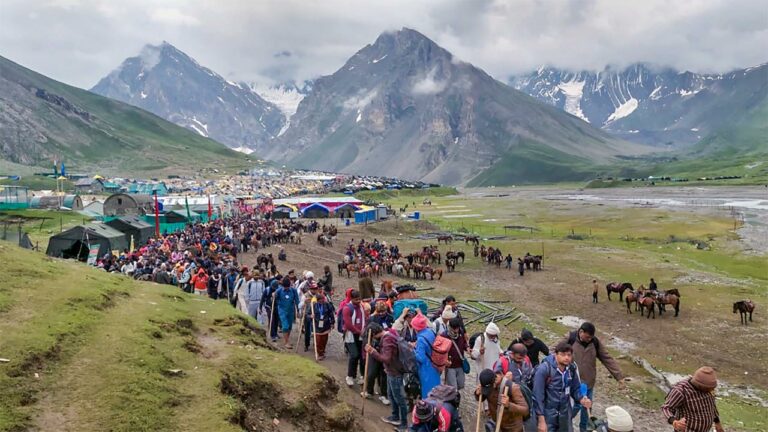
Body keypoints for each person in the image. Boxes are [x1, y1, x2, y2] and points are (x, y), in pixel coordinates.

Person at [558, 322, 624, 432]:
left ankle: (584, 429)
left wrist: (619, 376)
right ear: (581, 332)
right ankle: (563, 423)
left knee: (587, 408)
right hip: (572, 382)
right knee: (575, 406)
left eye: (591, 337)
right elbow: (554, 350)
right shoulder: (570, 338)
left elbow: (606, 358)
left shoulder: (595, 342)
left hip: (588, 382)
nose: (589, 339)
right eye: (587, 337)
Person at [533, 341, 591, 432]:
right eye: (563, 354)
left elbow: (575, 388)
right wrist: (541, 420)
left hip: (565, 414)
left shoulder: (571, 369)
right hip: (548, 415)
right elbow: (537, 396)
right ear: (556, 354)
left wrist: (581, 399)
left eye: (569, 355)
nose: (567, 358)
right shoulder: (544, 369)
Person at [365, 325, 409, 431]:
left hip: (395, 373)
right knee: (391, 395)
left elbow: (386, 358)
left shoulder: (387, 340)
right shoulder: (390, 333)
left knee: (399, 398)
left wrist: (372, 352)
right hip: (391, 370)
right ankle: (395, 416)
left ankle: (403, 423)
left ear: (375, 334)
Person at [661, 366, 724, 432]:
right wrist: (674, 421)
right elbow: (666, 408)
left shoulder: (708, 390)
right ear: (700, 385)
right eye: (708, 389)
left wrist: (717, 423)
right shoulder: (681, 391)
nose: (711, 390)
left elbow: (711, 406)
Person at [343, 290, 369, 386]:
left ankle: (362, 376)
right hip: (351, 335)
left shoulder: (361, 307)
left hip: (361, 335)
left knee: (362, 356)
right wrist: (359, 332)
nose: (359, 301)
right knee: (354, 355)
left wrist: (364, 329)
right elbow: (348, 324)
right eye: (356, 300)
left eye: (360, 299)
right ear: (351, 299)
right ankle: (350, 376)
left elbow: (365, 319)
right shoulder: (347, 308)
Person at [412, 312, 441, 398]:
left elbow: (421, 358)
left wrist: (413, 350)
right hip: (435, 365)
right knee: (436, 390)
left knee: (427, 393)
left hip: (426, 368)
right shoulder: (430, 332)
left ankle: (428, 409)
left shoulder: (421, 339)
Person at [275, 277, 299, 349]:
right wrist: (274, 296)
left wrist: (298, 310)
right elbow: (275, 299)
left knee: (289, 327)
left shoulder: (294, 291)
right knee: (285, 326)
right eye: (285, 288)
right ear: (282, 286)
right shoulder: (279, 290)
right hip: (282, 310)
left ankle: (287, 339)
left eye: (287, 287)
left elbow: (297, 301)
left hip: (291, 310)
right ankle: (286, 342)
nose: (286, 289)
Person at [444, 317, 468, 391]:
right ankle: (453, 399)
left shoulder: (460, 332)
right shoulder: (444, 335)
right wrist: (445, 360)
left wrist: (467, 348)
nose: (456, 330)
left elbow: (464, 342)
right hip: (450, 366)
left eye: (457, 328)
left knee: (461, 384)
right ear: (450, 327)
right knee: (453, 388)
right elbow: (440, 351)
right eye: (454, 329)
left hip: (460, 364)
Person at [312, 290, 334, 360]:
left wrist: (332, 323)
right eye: (320, 300)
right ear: (318, 300)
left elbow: (331, 314)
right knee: (318, 340)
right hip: (317, 325)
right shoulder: (313, 306)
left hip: (325, 324)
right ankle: (319, 353)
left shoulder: (327, 305)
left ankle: (322, 350)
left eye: (323, 299)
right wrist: (310, 316)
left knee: (324, 340)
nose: (322, 301)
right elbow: (307, 314)